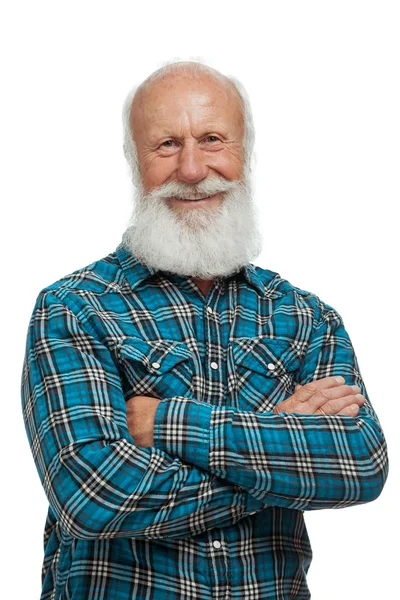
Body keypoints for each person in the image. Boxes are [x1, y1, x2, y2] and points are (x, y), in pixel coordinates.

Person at [21, 60, 388, 600]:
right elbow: (94, 496)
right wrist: (278, 449)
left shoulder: (308, 317)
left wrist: (165, 422)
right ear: (134, 162)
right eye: (167, 144)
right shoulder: (74, 308)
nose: (192, 169)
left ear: (245, 153)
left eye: (212, 139)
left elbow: (360, 463)